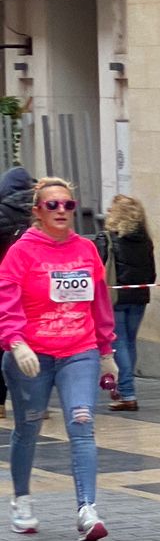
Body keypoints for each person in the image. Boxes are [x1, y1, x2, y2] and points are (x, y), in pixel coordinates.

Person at [0, 177, 116, 541]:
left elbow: (99, 301)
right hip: (31, 356)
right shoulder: (22, 252)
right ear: (37, 212)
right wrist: (15, 342)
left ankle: (87, 510)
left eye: (67, 204)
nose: (62, 211)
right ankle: (21, 500)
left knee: (81, 425)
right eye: (52, 205)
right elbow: (6, 299)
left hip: (78, 352)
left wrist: (107, 351)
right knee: (28, 429)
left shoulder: (86, 250)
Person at [99, 195, 157, 411]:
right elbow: (151, 274)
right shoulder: (145, 240)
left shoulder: (107, 238)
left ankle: (126, 392)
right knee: (130, 343)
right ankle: (126, 389)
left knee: (119, 343)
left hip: (115, 297)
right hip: (139, 297)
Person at [0, 166, 34, 422]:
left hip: (5, 286)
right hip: (35, 287)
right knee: (35, 340)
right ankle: (37, 399)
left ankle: (0, 402)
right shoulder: (40, 211)